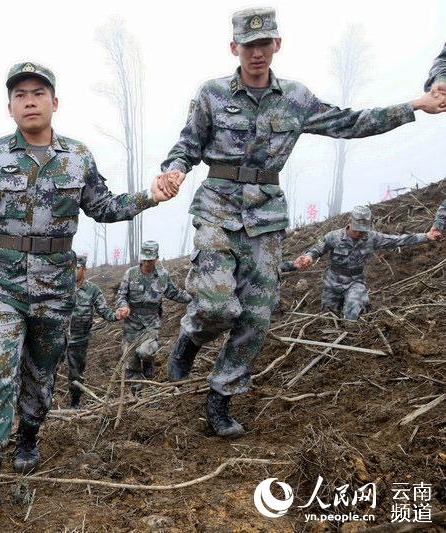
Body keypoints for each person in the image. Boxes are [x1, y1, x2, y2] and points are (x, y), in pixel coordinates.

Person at [0, 61, 176, 524]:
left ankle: (29, 433)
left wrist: (150, 196)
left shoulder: (78, 156)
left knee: (41, 375)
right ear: (9, 106)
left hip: (55, 288)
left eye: (38, 92)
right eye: (20, 94)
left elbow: (104, 207)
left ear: (54, 102)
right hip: (1, 287)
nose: (29, 100)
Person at [158, 8, 446, 439]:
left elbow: (349, 122)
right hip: (217, 209)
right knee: (219, 305)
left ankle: (220, 398)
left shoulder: (296, 98)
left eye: (265, 44)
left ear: (278, 44)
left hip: (266, 217)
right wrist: (174, 169)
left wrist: (414, 106)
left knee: (256, 315)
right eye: (248, 45)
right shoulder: (212, 95)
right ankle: (191, 338)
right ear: (233, 47)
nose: (257, 53)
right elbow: (187, 144)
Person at [292, 206, 437, 319]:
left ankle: (352, 334)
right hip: (332, 282)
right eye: (356, 230)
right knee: (327, 316)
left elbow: (397, 240)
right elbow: (317, 248)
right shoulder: (334, 237)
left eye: (363, 230)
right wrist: (309, 256)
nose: (359, 233)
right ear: (349, 222)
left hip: (355, 281)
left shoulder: (372, 238)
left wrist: (425, 236)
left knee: (355, 311)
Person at [115, 241, 191, 396]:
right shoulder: (131, 274)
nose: (147, 263)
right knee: (131, 363)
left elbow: (173, 293)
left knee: (146, 352)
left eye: (150, 260)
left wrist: (193, 298)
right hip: (132, 324)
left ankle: (148, 361)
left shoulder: (162, 276)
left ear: (156, 258)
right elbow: (121, 295)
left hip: (151, 323)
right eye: (144, 259)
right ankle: (137, 394)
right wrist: (123, 306)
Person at [55, 254, 118, 408]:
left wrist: (117, 315)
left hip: (79, 341)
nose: (72, 272)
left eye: (76, 269)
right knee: (49, 371)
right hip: (57, 339)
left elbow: (105, 311)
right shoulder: (59, 287)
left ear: (84, 269)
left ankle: (75, 403)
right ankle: (44, 402)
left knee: (76, 374)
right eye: (70, 268)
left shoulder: (92, 290)